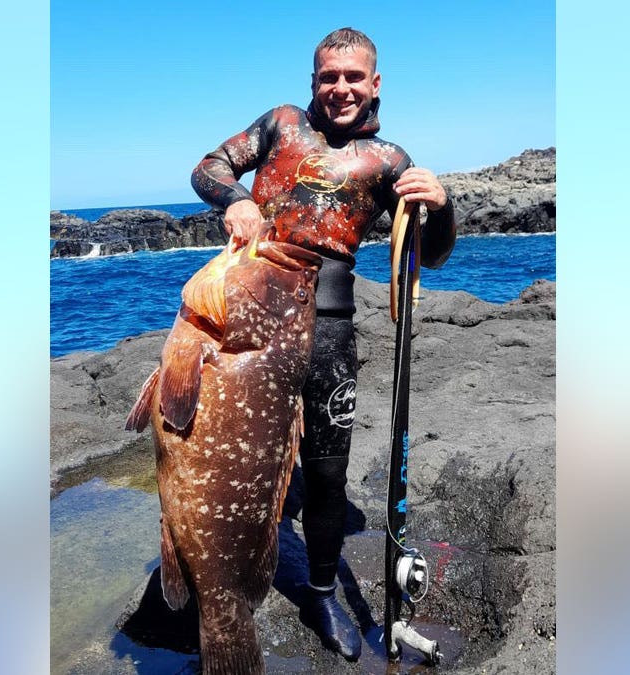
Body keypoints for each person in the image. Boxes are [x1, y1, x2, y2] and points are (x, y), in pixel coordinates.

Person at [190, 27, 456, 662]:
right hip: (252, 306)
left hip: (331, 323)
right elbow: (210, 168)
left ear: (375, 84)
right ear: (313, 81)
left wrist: (441, 206)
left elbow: (434, 256)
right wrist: (236, 202)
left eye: (352, 78)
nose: (340, 88)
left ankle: (319, 591)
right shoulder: (281, 124)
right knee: (236, 451)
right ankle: (219, 573)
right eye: (327, 77)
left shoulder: (389, 161)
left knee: (329, 469)